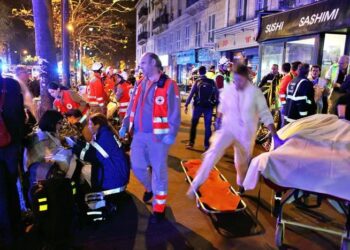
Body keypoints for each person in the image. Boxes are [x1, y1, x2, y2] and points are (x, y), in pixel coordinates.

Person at [187, 65, 283, 196]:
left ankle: (241, 184)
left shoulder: (255, 93)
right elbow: (222, 106)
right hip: (228, 128)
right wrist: (218, 120)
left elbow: (265, 114)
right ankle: (197, 183)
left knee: (241, 164)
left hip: (245, 134)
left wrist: (275, 137)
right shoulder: (229, 89)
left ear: (246, 79)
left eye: (240, 81)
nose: (237, 84)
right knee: (212, 153)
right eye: (235, 80)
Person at [119, 52, 181, 223]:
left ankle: (159, 209)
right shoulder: (140, 83)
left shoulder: (169, 85)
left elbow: (175, 111)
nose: (141, 66)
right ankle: (149, 188)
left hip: (158, 138)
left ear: (154, 62)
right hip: (138, 134)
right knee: (137, 166)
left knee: (159, 173)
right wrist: (125, 124)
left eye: (144, 62)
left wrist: (172, 133)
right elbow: (132, 105)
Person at [0, 61, 25, 248]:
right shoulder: (11, 85)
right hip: (11, 145)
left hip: (5, 145)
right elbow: (20, 116)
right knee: (11, 187)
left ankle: (8, 234)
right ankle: (17, 228)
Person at [71, 113, 130, 192]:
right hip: (120, 174)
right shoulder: (106, 133)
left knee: (87, 169)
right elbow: (93, 150)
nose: (89, 127)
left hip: (113, 182)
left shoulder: (103, 138)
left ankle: (98, 194)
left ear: (97, 125)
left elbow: (88, 156)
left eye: (90, 124)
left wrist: (73, 145)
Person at [184, 66, 218, 150]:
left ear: (199, 72)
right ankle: (207, 145)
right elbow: (217, 94)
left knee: (194, 124)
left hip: (198, 106)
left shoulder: (197, 81)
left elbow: (191, 94)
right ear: (205, 72)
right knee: (207, 126)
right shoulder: (212, 82)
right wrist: (216, 105)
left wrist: (186, 104)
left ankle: (191, 143)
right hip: (208, 107)